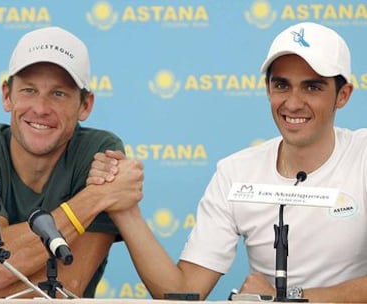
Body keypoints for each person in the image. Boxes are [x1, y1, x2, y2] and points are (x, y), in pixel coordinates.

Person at [88, 22, 367, 302]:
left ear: (343, 95)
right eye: (281, 85)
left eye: (312, 88)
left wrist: (289, 297)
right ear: (268, 89)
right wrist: (126, 210)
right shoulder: (236, 172)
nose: (293, 103)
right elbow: (185, 291)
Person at [0, 26, 143, 298]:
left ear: (85, 105)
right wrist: (95, 198)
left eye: (59, 94)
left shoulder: (99, 153)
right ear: (7, 96)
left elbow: (69, 285)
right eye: (29, 90)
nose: (41, 108)